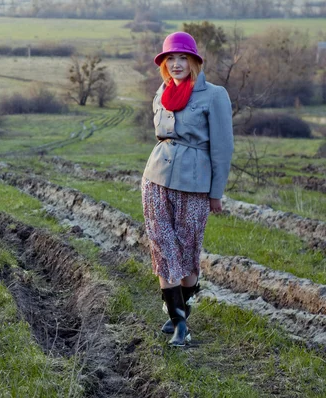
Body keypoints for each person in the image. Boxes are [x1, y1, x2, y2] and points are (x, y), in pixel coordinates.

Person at [141, 31, 234, 347]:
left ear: (194, 61)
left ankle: (183, 308)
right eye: (170, 59)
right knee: (162, 248)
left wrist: (216, 192)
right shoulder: (163, 91)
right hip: (156, 178)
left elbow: (222, 147)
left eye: (183, 58)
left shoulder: (213, 95)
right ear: (164, 64)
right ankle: (180, 324)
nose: (177, 64)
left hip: (194, 183)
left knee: (187, 250)